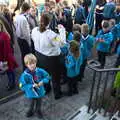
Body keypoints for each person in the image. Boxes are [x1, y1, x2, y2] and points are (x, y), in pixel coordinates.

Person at [31, 13, 66, 100]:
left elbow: (33, 38)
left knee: (44, 75)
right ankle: (57, 94)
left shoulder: (35, 30)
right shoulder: (51, 35)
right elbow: (62, 43)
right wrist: (62, 30)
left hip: (39, 57)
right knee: (55, 77)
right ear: (49, 22)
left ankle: (47, 89)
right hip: (51, 59)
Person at [19, 53, 50, 118]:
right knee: (31, 104)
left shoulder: (40, 71)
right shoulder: (24, 75)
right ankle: (30, 111)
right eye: (30, 64)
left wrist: (43, 81)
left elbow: (47, 76)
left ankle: (38, 111)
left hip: (40, 92)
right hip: (31, 93)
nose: (32, 65)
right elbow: (21, 86)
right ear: (26, 65)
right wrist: (31, 86)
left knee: (39, 103)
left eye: (34, 63)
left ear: (36, 62)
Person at [0, 20, 18, 91]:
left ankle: (12, 84)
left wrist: (4, 60)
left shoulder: (4, 35)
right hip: (3, 57)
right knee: (8, 71)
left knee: (10, 71)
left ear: (1, 26)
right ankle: (11, 83)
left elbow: (7, 49)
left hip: (7, 57)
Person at [15, 2, 31, 70]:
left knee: (23, 55)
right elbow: (26, 34)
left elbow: (16, 26)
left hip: (19, 38)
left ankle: (25, 68)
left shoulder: (18, 16)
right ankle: (27, 69)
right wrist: (29, 42)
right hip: (24, 40)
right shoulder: (23, 19)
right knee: (27, 55)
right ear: (27, 9)